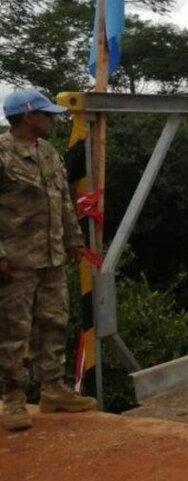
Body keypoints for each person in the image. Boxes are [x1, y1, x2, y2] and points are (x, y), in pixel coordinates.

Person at [1, 89, 97, 431]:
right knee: (14, 331)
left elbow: (63, 200)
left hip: (51, 256)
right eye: (46, 114)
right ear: (28, 116)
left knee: (54, 322)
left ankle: (53, 389)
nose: (52, 120)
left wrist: (74, 240)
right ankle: (13, 399)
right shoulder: (3, 153)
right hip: (16, 261)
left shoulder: (48, 152)